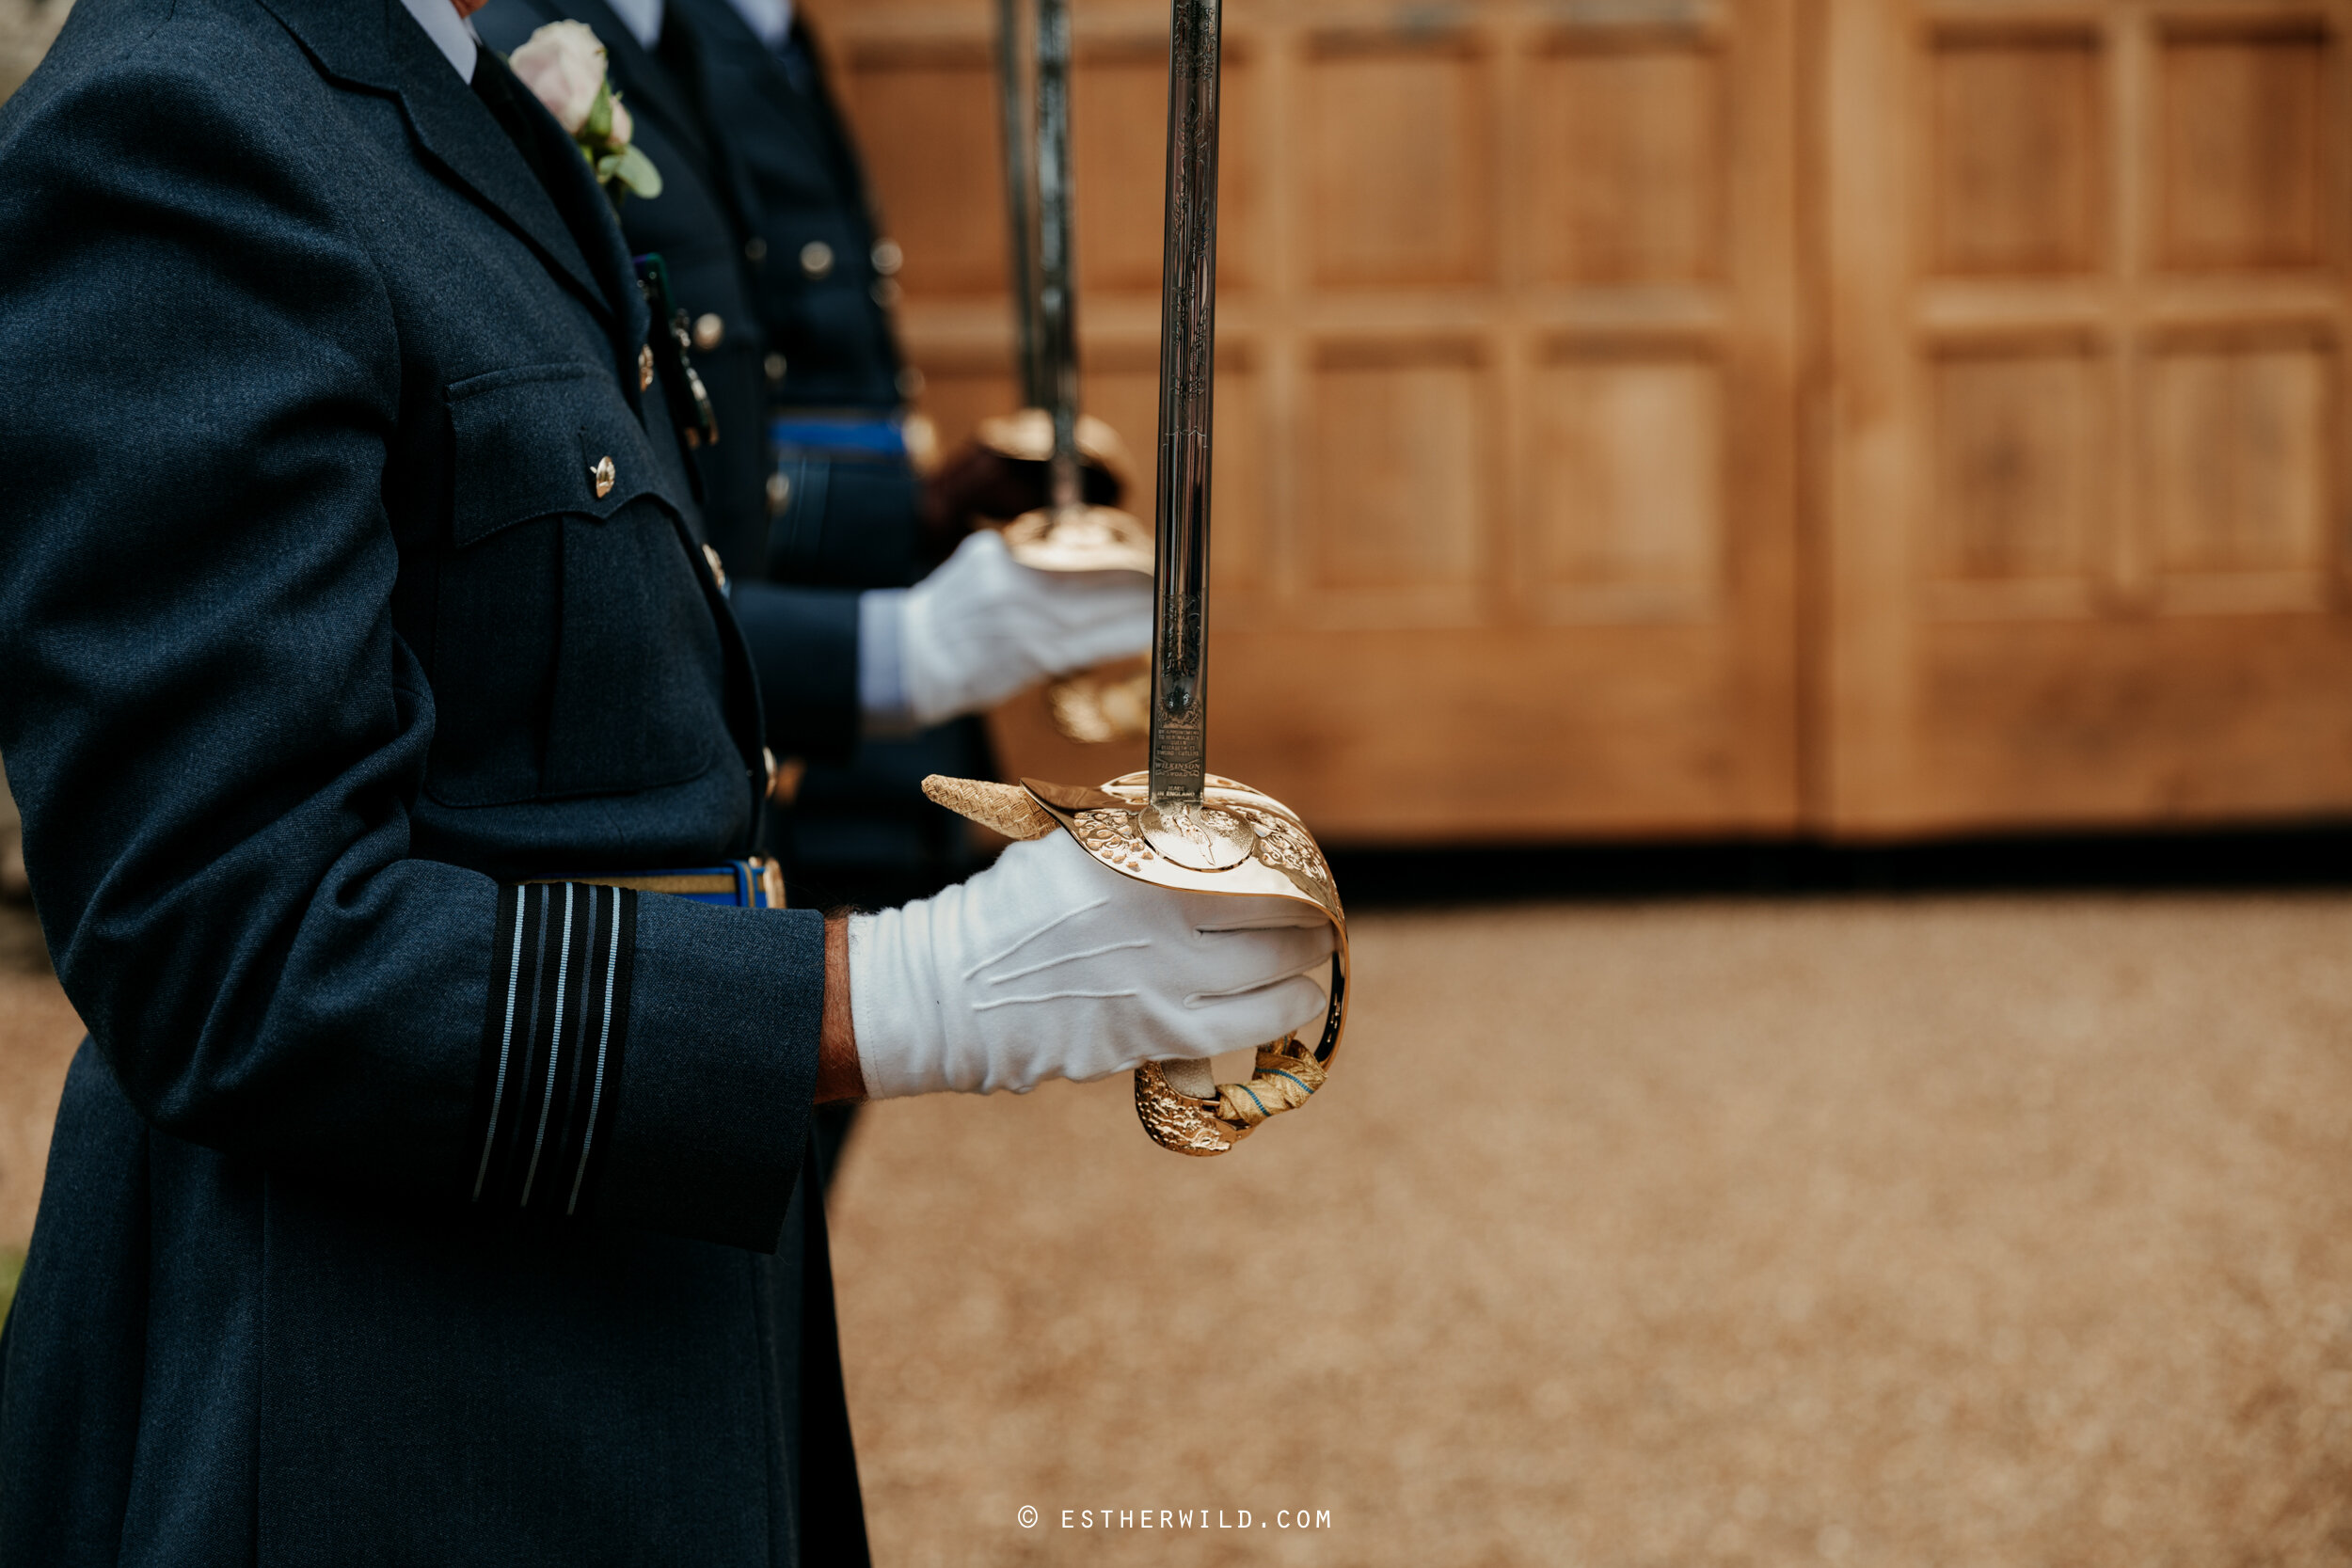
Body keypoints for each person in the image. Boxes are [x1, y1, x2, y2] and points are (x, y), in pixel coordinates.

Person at [0, 1, 1336, 1562]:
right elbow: (241, 949)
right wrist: (908, 991)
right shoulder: (184, 123)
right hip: (384, 1400)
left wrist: (920, 650)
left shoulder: (443, 84)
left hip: (621, 1311)